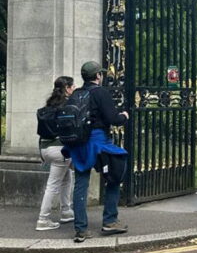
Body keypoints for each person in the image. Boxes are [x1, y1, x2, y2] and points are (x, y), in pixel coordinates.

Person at [68, 61, 130, 243]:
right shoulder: (100, 92)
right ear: (97, 76)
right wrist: (124, 116)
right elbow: (112, 118)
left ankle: (80, 229)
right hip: (98, 142)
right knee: (115, 175)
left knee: (81, 183)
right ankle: (110, 221)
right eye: (100, 74)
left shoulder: (77, 93)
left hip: (78, 143)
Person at [36, 75, 75, 231]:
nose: (74, 89)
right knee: (53, 185)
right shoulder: (67, 106)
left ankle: (66, 211)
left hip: (45, 148)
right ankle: (43, 219)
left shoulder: (48, 106)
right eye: (72, 86)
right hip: (60, 149)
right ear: (67, 88)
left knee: (67, 178)